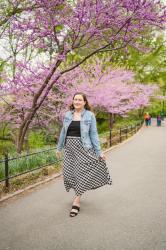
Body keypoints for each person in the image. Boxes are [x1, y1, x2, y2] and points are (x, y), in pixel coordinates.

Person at [56, 92, 112, 217]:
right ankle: (77, 194)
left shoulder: (89, 116)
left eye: (80, 100)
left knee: (81, 174)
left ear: (84, 102)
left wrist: (99, 152)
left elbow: (94, 134)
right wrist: (59, 148)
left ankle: (76, 201)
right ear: (73, 101)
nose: (77, 102)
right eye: (75, 99)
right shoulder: (67, 115)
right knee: (69, 173)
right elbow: (63, 133)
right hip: (69, 149)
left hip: (83, 149)